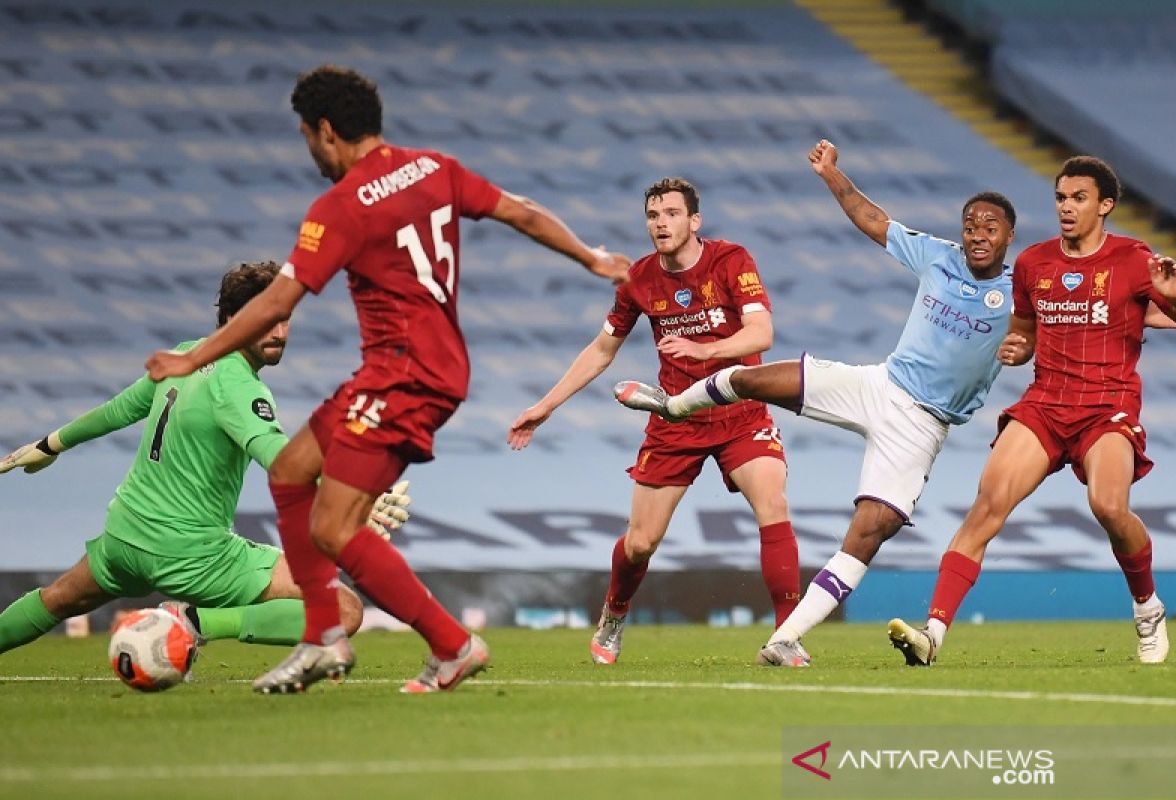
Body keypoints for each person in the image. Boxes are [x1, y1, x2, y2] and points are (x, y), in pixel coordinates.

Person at [144, 65, 630, 694]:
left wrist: (193, 357)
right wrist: (590, 257)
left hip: (406, 375)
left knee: (333, 528)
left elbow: (275, 301)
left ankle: (452, 646)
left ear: (326, 131)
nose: (311, 153)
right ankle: (323, 638)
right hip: (412, 367)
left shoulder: (341, 206)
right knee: (290, 469)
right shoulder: (435, 168)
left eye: (306, 138)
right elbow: (523, 212)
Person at [616, 139, 1018, 667]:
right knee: (756, 377)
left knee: (871, 530)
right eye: (971, 226)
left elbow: (1045, 330)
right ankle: (674, 406)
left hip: (922, 425)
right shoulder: (939, 255)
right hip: (880, 385)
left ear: (1009, 236)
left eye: (990, 228)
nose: (977, 236)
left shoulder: (1022, 289)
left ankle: (785, 638)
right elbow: (873, 218)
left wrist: (1024, 346)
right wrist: (833, 174)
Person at [0, 262, 411, 663]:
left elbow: (118, 410)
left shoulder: (185, 355)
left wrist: (51, 444)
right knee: (343, 608)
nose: (279, 333)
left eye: (284, 320)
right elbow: (281, 460)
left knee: (56, 598)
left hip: (125, 539)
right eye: (266, 320)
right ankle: (191, 622)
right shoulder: (238, 385)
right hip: (192, 557)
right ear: (232, 319)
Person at [886, 155, 1176, 666]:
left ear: (1106, 205)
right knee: (986, 508)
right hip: (1046, 405)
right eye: (1060, 197)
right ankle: (932, 634)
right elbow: (1026, 332)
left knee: (1108, 507)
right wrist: (1017, 348)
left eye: (1079, 198)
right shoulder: (1033, 264)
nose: (1067, 207)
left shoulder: (1133, 261)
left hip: (1107, 406)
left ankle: (1147, 607)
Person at [508, 177, 800, 664]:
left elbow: (761, 332)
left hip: (738, 408)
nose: (660, 223)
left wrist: (708, 350)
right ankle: (615, 614)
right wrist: (546, 405)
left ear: (694, 221)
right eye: (652, 216)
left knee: (773, 501)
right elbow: (602, 350)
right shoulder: (639, 279)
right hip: (676, 416)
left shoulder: (731, 260)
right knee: (641, 543)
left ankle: (787, 635)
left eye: (670, 213)